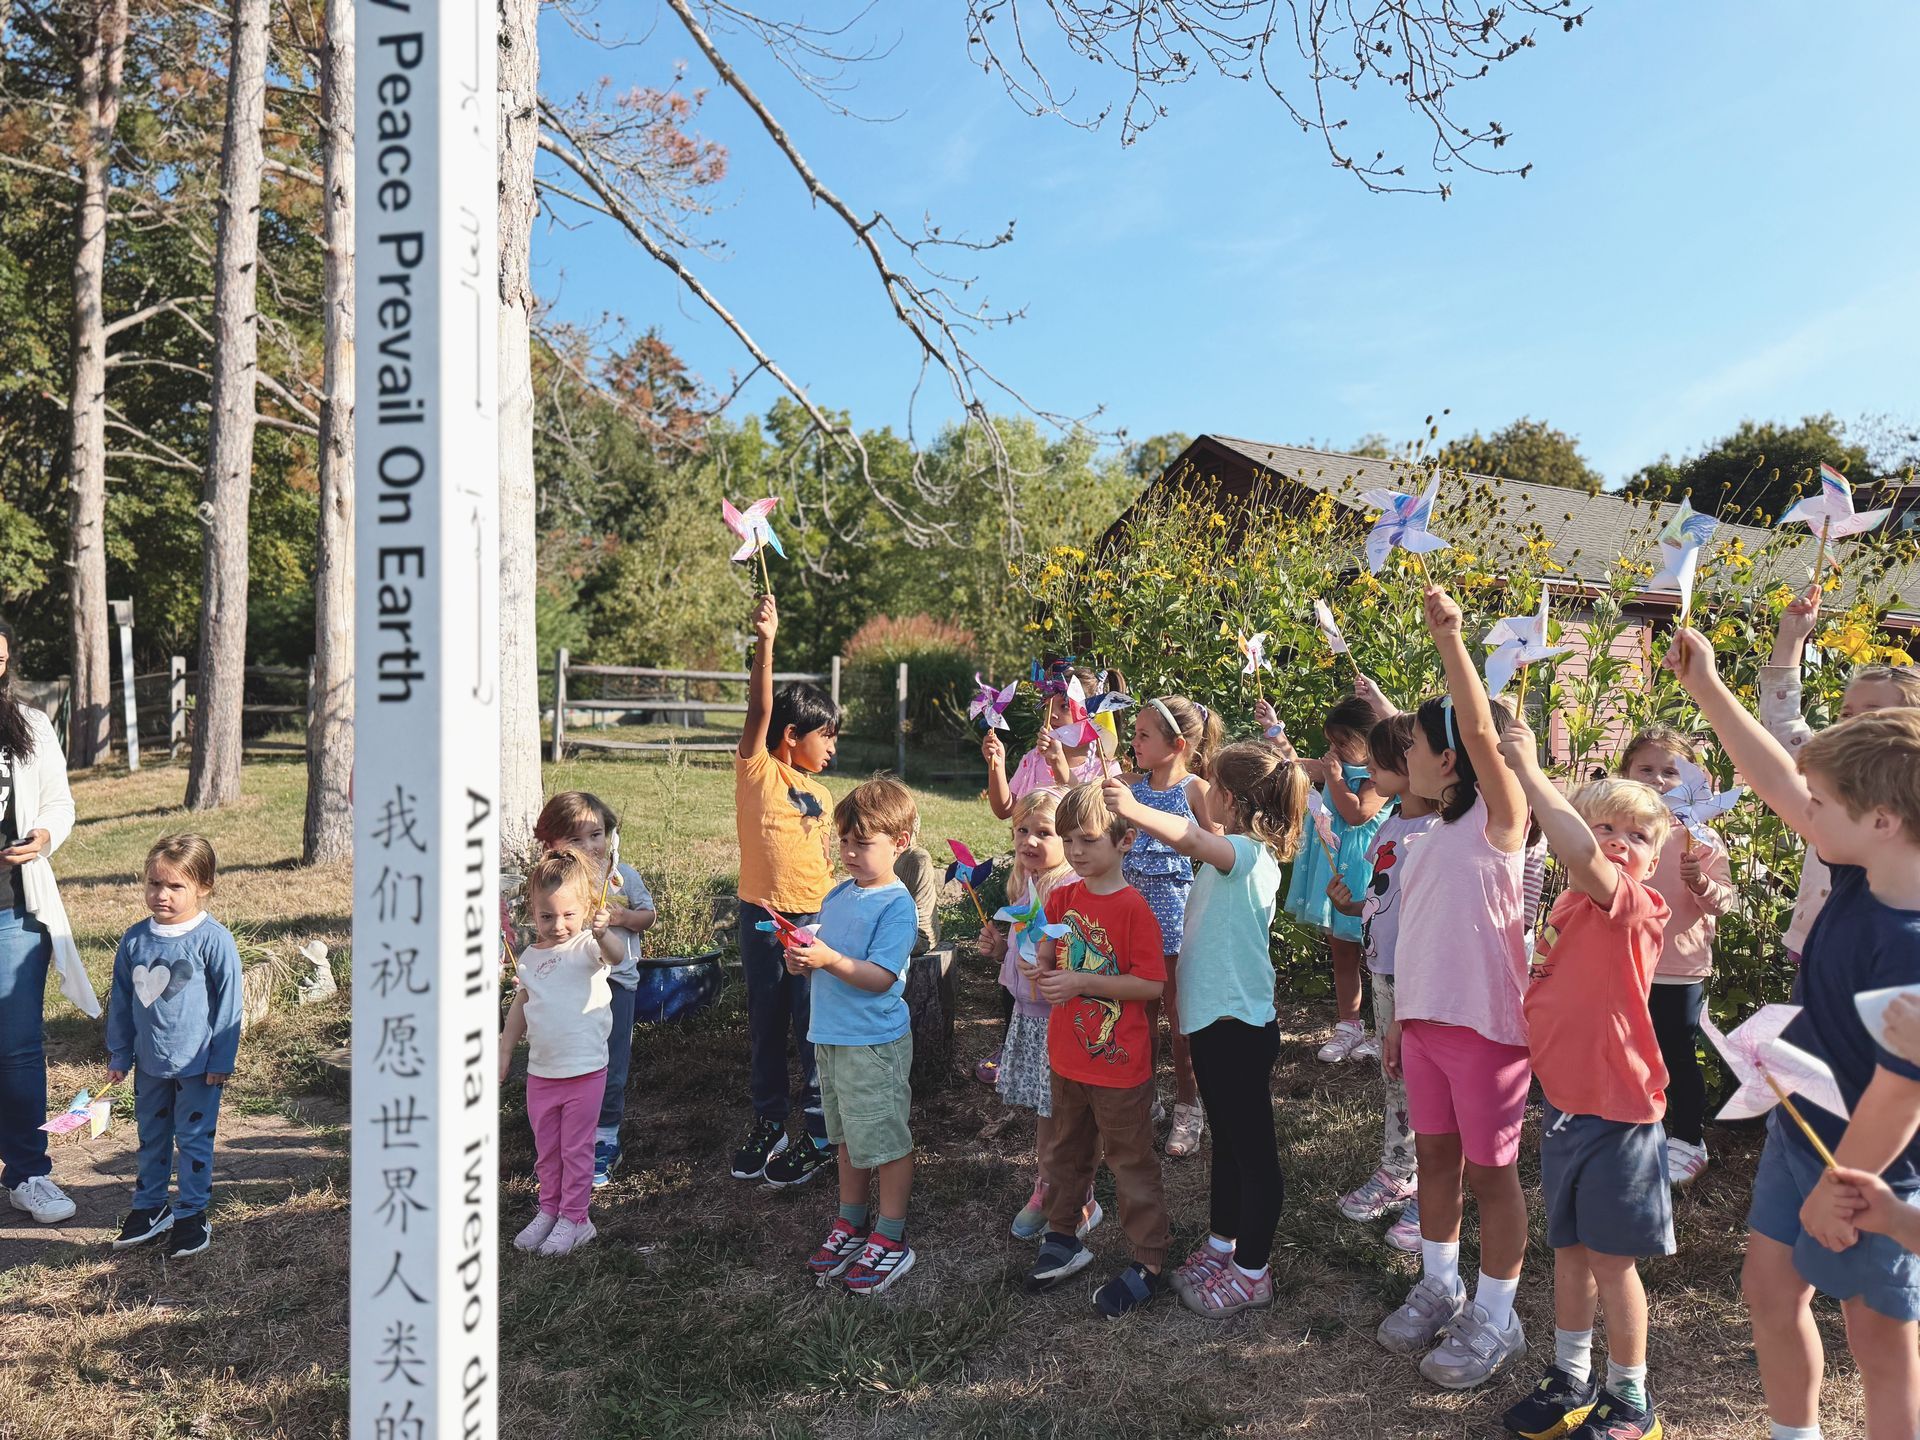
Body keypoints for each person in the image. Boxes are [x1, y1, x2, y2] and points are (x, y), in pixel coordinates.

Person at [1667, 627, 1920, 1440]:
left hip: (1880, 1166)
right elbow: (1778, 780)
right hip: (1804, 1126)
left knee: (1880, 1342)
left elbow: (1901, 1090)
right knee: (1770, 1294)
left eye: (1826, 805)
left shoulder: (1911, 943)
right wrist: (1707, 688)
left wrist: (1840, 1182)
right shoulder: (1861, 862)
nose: (1806, 815)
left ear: (1881, 819)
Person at [1499, 724, 1677, 1440]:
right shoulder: (1570, 906)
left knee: (1611, 1263)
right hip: (1568, 1110)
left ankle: (1631, 1398)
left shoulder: (1631, 909)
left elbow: (1575, 848)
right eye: (1601, 825)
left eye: (1633, 834)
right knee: (1569, 1254)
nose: (1613, 840)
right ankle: (1570, 1375)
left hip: (1619, 1118)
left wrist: (1530, 769)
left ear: (1652, 861)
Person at [1376, 586, 1533, 1391]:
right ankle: (1441, 1284)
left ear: (1451, 761)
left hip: (1488, 1032)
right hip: (1429, 1027)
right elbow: (1416, 940)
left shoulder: (1499, 822)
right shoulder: (1427, 834)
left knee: (1491, 1173)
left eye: (1411, 750)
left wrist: (1450, 641)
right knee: (1435, 1160)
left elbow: (1479, 728)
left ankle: (1497, 1317)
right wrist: (1402, 1019)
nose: (1402, 763)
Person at [1106, 738, 1308, 1317]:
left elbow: (1194, 838)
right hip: (1216, 1026)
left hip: (1239, 1028)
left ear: (1231, 799)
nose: (1203, 795)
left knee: (1254, 1155)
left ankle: (1253, 1272)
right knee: (1228, 1144)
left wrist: (1136, 808)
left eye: (1211, 786)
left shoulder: (1245, 854)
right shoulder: (1232, 854)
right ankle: (1224, 1245)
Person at [1021, 780, 1171, 1318]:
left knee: (1129, 1161)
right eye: (1070, 840)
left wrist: (1082, 983)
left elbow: (1151, 986)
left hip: (1119, 1066)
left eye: (1088, 840)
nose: (1077, 851)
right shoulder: (1063, 895)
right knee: (1063, 1152)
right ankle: (1063, 1236)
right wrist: (1039, 958)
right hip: (1067, 1057)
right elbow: (1048, 941)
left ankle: (1148, 1259)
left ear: (1125, 841)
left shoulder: (1134, 909)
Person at [792, 777, 923, 1295]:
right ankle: (851, 1221)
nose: (848, 852)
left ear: (901, 842)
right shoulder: (838, 895)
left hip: (872, 1044)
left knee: (885, 1140)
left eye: (862, 843)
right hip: (831, 1037)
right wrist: (805, 962)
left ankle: (890, 1235)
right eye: (843, 840)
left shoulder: (896, 906)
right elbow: (831, 964)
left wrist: (829, 960)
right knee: (846, 1136)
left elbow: (880, 977)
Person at [732, 593, 841, 1187]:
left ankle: (820, 1131)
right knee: (767, 1019)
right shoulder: (756, 769)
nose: (833, 749)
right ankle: (769, 1121)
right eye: (826, 737)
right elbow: (760, 708)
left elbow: (827, 858)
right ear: (793, 734)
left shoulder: (822, 794)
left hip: (815, 920)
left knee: (811, 1024)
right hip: (761, 917)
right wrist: (767, 641)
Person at [976, 663, 1123, 1087]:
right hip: (1032, 871)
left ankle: (1068, 1045)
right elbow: (1007, 809)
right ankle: (1015, 1041)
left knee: (1057, 955)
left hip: (1073, 875)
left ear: (1087, 713)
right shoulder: (1032, 757)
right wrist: (998, 763)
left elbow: (1091, 819)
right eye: (1050, 705)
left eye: (1064, 706)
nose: (1054, 713)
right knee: (1021, 949)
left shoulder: (1103, 763)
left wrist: (1062, 768)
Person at [1761, 583, 1920, 967]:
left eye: (1870, 712)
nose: (1852, 721)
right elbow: (1780, 721)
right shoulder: (1827, 770)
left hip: (1881, 954)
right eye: (1847, 712)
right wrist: (1792, 637)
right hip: (1815, 939)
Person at [1332, 710, 1442, 1253]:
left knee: (1431, 1084)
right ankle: (1399, 1167)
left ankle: (1436, 1188)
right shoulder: (1393, 821)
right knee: (1394, 1074)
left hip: (1426, 977)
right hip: (1384, 970)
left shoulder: (1441, 832)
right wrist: (1353, 905)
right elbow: (1386, 897)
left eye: (1378, 760)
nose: (1368, 768)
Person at [104, 836, 242, 1259]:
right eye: (153, 884)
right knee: (151, 1137)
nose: (161, 895)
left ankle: (192, 1212)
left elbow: (230, 1003)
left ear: (203, 886)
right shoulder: (134, 940)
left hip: (199, 1066)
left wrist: (221, 1058)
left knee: (194, 1139)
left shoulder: (212, 940)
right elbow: (122, 1001)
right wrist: (119, 1053)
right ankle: (150, 1208)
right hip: (149, 1065)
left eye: (175, 886)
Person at [0, 618, 94, 1226]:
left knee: (17, 1049)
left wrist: (44, 835)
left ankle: (29, 1174)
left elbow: (60, 800)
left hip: (14, 913)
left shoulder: (29, 724)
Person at [974, 787, 1100, 1240]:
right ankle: (1047, 1185)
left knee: (1065, 1116)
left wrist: (1049, 968)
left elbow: (1076, 958)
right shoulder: (1024, 885)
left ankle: (1076, 1195)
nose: (1028, 840)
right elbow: (1025, 950)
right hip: (1028, 1018)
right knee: (1047, 1113)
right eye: (1021, 830)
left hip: (1059, 1019)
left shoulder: (1071, 890)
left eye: (1043, 833)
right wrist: (1000, 949)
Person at [1617, 726, 1734, 1187]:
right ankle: (1636, 1125)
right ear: (1627, 773)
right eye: (1646, 769)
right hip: (1625, 958)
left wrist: (1699, 882)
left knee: (1676, 1052)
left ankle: (1688, 1137)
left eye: (1670, 771)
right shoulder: (1618, 833)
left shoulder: (1700, 839)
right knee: (1626, 1050)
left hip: (1677, 966)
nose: (1657, 780)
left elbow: (1724, 901)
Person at [499, 850, 624, 1256]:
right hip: (542, 1073)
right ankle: (550, 1209)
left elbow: (616, 956)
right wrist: (504, 1051)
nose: (558, 925)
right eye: (547, 916)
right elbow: (522, 1004)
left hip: (585, 1071)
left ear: (586, 909)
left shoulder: (588, 946)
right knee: (547, 1149)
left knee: (576, 1147)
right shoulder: (532, 958)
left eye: (568, 915)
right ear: (532, 913)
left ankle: (577, 1217)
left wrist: (604, 933)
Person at [532, 792, 657, 1189]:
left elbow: (648, 915)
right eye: (575, 839)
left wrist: (623, 916)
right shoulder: (556, 882)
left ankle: (604, 1136)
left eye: (596, 835)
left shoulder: (621, 877)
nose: (589, 847)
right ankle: (567, 1132)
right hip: (569, 983)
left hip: (616, 981)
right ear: (551, 843)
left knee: (611, 1060)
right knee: (569, 1059)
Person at [1118, 694, 1221, 1158]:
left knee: (1180, 1021)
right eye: (1135, 733)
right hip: (1128, 922)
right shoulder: (1128, 786)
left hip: (1175, 922)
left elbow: (1216, 843)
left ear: (1176, 744)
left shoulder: (1196, 789)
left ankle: (1188, 1106)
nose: (1133, 741)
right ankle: (1146, 1098)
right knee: (1137, 1018)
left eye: (1143, 735)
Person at [1283, 695, 1391, 1063]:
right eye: (1331, 742)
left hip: (1364, 873)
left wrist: (1334, 778)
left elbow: (1357, 813)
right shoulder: (1337, 765)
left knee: (1377, 953)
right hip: (1333, 874)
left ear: (1369, 739)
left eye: (1343, 742)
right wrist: (1274, 731)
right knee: (1342, 951)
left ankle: (1385, 1029)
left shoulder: (1379, 776)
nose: (1334, 750)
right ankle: (1349, 1024)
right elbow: (1295, 766)